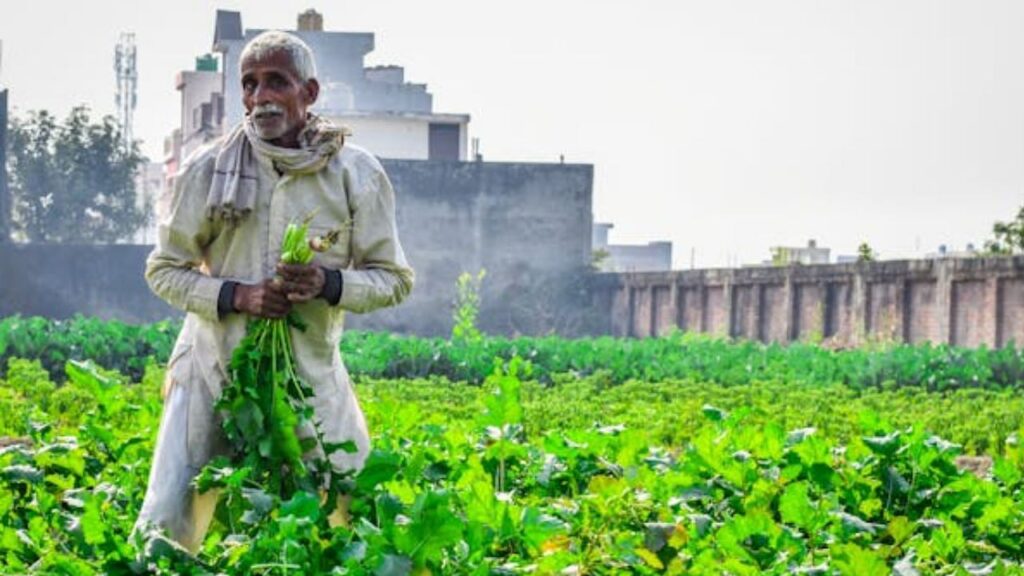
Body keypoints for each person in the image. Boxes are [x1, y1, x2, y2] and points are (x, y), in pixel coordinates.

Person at [134, 30, 414, 552]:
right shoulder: (209, 169)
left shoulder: (354, 173)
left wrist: (329, 284)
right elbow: (164, 269)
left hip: (310, 376)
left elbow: (393, 278)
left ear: (308, 92)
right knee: (170, 526)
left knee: (353, 517)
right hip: (213, 369)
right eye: (250, 84)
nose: (260, 97)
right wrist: (236, 297)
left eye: (276, 83)